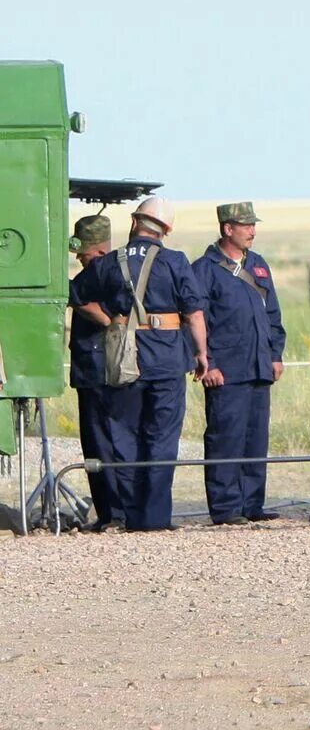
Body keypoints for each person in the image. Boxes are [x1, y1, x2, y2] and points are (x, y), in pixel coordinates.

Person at [71, 195, 209, 532]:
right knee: (162, 439)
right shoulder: (175, 261)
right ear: (165, 229)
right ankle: (155, 519)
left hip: (125, 360)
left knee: (124, 437)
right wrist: (202, 354)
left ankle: (128, 515)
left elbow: (74, 293)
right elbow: (193, 314)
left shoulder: (108, 263)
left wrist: (110, 321)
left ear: (135, 223)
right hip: (167, 361)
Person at [192, 202, 285, 524]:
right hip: (226, 371)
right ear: (227, 229)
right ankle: (226, 508)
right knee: (225, 439)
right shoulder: (204, 269)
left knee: (255, 439)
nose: (252, 231)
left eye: (253, 225)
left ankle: (252, 505)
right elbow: (197, 319)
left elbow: (272, 314)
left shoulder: (258, 265)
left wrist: (275, 355)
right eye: (245, 226)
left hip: (259, 366)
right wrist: (209, 363)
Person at [67, 214, 120, 529]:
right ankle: (114, 511)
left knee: (101, 442)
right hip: (102, 368)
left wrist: (74, 298)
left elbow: (107, 318)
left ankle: (112, 512)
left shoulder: (101, 273)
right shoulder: (119, 270)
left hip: (99, 369)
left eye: (82, 252)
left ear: (97, 250)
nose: (79, 257)